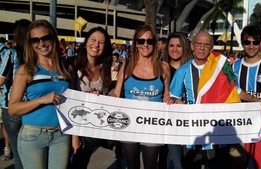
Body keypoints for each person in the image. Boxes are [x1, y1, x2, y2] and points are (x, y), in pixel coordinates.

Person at [170, 32, 243, 169]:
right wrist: (175, 102)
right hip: (191, 136)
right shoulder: (182, 71)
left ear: (211, 48)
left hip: (217, 137)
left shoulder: (222, 68)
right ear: (192, 46)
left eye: (206, 44)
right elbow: (173, 97)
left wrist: (256, 100)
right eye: (198, 44)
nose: (202, 48)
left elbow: (236, 92)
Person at [8, 19, 71, 169]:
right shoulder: (26, 70)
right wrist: (42, 100)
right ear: (30, 43)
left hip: (61, 135)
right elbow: (13, 109)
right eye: (35, 40)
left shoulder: (65, 68)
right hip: (33, 135)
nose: (41, 43)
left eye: (45, 38)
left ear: (53, 39)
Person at [112, 25, 171, 169]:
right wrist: (99, 98)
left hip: (153, 126)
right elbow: (116, 94)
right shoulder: (127, 66)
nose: (145, 45)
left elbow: (166, 96)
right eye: (141, 41)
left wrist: (171, 102)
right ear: (136, 44)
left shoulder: (163, 67)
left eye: (149, 41)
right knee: (132, 165)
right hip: (129, 124)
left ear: (155, 44)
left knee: (150, 166)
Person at [65, 26, 115, 169]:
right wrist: (74, 137)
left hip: (90, 131)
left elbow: (108, 93)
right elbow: (67, 100)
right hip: (70, 128)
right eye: (93, 40)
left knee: (81, 164)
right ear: (86, 42)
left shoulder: (105, 68)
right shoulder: (71, 64)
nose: (96, 45)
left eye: (101, 42)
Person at [232, 25, 261, 169]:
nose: (251, 46)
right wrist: (256, 100)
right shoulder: (234, 67)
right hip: (238, 130)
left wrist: (243, 96)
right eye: (247, 42)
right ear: (242, 42)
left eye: (255, 42)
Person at [0, 19, 31, 168]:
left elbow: (1, 79)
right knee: (31, 153)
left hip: (10, 107)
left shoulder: (10, 53)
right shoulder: (34, 56)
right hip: (31, 107)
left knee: (18, 154)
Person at [162, 32, 193, 169]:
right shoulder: (160, 68)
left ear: (185, 47)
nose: (175, 49)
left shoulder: (193, 68)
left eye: (179, 46)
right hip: (165, 123)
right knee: (169, 161)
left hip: (189, 122)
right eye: (171, 46)